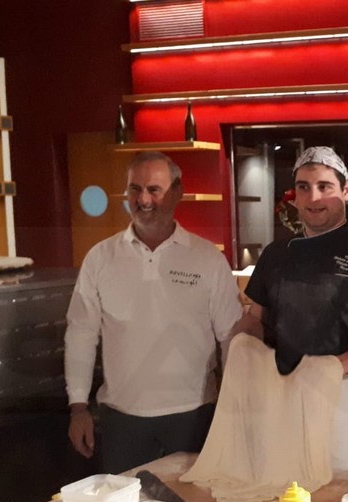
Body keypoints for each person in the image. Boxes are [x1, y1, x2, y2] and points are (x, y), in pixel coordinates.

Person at [65, 151, 243, 474]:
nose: (143, 199)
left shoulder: (207, 259)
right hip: (121, 420)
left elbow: (232, 338)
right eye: (135, 189)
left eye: (154, 190)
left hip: (194, 416)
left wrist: (234, 406)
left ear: (177, 193)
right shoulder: (100, 258)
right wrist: (78, 407)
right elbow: (80, 334)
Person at [239, 146, 348, 473]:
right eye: (303, 187)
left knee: (346, 490)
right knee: (284, 488)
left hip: (347, 395)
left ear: (346, 190)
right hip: (283, 390)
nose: (314, 197)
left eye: (325, 186)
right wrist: (238, 349)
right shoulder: (276, 254)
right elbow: (254, 321)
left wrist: (331, 368)